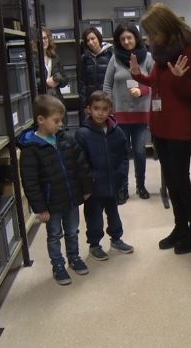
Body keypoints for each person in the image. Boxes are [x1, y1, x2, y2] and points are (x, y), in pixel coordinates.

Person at [130, 4, 191, 255]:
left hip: (180, 129)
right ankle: (180, 228)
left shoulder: (189, 53)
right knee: (172, 183)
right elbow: (157, 82)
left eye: (152, 33)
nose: (149, 39)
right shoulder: (161, 53)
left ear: (165, 28)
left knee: (181, 182)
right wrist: (139, 76)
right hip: (161, 127)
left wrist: (181, 79)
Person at [18, 95, 93, 286]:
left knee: (72, 231)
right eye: (56, 121)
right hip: (51, 204)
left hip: (71, 198)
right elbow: (30, 181)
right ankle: (58, 265)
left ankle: (74, 258)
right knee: (54, 235)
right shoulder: (30, 148)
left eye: (62, 120)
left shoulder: (66, 139)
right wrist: (40, 208)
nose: (60, 125)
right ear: (41, 120)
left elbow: (81, 165)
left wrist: (86, 188)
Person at [75, 91, 134, 261]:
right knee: (94, 217)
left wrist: (121, 175)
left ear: (110, 110)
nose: (100, 113)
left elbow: (124, 155)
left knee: (114, 214)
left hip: (113, 183)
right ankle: (94, 245)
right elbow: (80, 163)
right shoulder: (82, 134)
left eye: (104, 109)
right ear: (89, 110)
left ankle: (116, 239)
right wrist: (87, 184)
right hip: (93, 188)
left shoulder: (117, 131)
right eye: (96, 109)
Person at [103, 22, 154, 204]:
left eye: (129, 37)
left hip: (140, 115)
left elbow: (155, 83)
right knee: (121, 153)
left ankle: (141, 186)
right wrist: (108, 108)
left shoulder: (147, 57)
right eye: (122, 38)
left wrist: (143, 91)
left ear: (136, 38)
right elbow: (107, 85)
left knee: (140, 152)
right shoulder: (114, 59)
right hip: (120, 115)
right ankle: (122, 189)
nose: (126, 41)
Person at [79, 27, 112, 117]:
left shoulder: (110, 54)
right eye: (87, 40)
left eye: (93, 38)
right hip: (92, 101)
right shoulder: (84, 58)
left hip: (108, 99)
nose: (90, 42)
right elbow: (82, 83)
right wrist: (85, 104)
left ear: (98, 38)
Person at [40, 27, 69, 120]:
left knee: (59, 129)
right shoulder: (32, 59)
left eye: (45, 38)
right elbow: (27, 82)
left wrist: (57, 78)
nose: (43, 41)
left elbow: (65, 80)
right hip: (41, 102)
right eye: (40, 39)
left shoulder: (54, 57)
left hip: (56, 100)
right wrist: (45, 83)